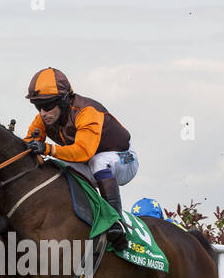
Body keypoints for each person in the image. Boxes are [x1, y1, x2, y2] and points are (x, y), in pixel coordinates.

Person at [22, 67, 138, 250]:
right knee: (55, 166)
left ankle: (117, 222)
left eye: (48, 104)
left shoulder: (87, 112)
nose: (43, 112)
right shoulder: (43, 118)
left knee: (98, 161)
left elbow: (84, 152)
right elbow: (28, 144)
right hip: (91, 163)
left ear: (64, 100)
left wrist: (48, 148)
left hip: (124, 160)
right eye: (38, 106)